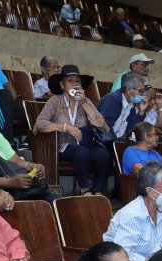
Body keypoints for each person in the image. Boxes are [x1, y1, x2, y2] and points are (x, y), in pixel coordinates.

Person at [34, 64, 110, 196]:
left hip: (85, 141)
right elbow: (39, 124)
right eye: (70, 80)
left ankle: (98, 191)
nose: (75, 84)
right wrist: (65, 127)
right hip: (63, 143)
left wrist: (84, 103)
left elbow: (103, 125)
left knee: (103, 154)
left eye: (77, 81)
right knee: (82, 152)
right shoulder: (55, 100)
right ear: (62, 85)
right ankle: (85, 189)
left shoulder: (86, 101)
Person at [98, 72, 149, 142]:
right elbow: (104, 128)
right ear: (128, 90)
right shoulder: (112, 100)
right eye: (140, 91)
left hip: (118, 141)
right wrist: (120, 142)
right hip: (104, 141)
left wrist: (141, 111)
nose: (142, 94)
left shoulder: (131, 104)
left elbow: (132, 129)